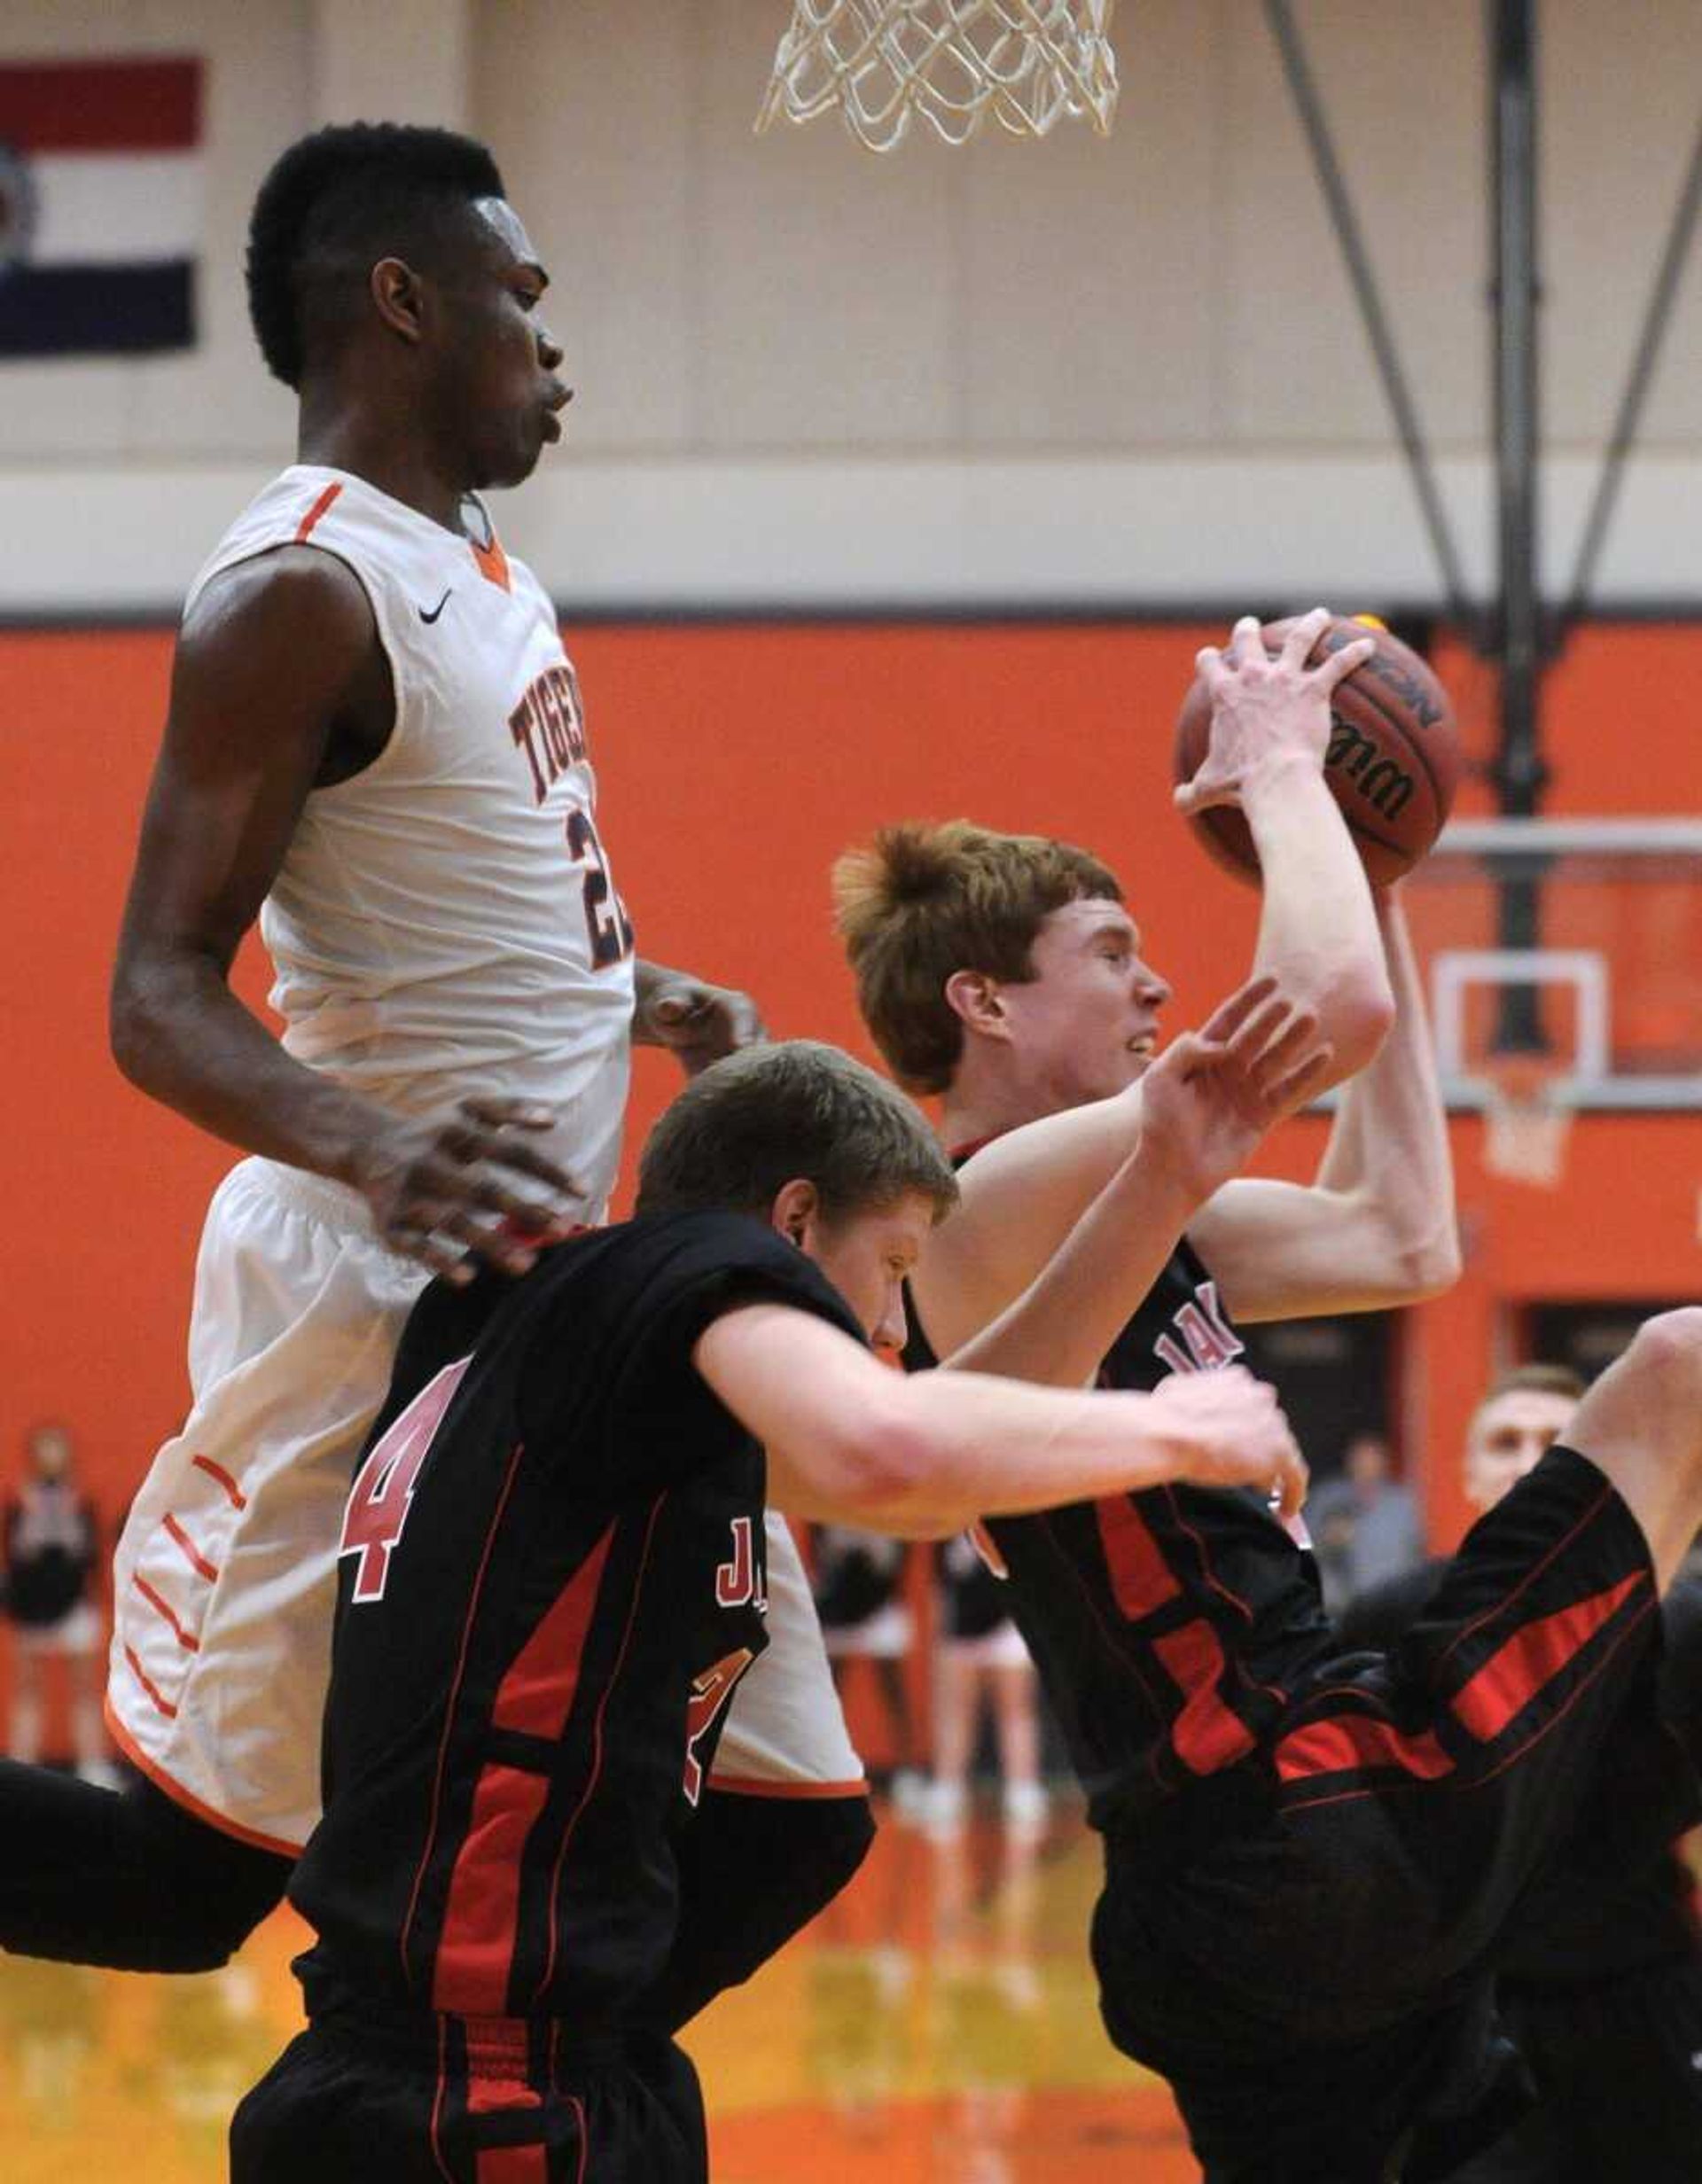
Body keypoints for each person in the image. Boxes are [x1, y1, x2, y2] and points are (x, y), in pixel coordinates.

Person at [0, 121, 793, 1976]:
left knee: (770, 1817)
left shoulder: (484, 565)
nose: (551, 341)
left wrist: (635, 989)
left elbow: (463, 889)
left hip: (529, 1273)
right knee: (187, 1886)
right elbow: (155, 995)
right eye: (523, 298)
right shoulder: (294, 592)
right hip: (366, 1279)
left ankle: (478, 2094)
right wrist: (380, 1149)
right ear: (404, 303)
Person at [835, 611, 1702, 2180]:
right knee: (1682, 1370)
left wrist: (1373, 884)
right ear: (985, 1004)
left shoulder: (1126, 1209)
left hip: (1216, 1897)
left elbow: (1404, 1233)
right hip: (1311, 1800)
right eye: (1111, 952)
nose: (1161, 979)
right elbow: (1326, 1003)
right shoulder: (980, 1190)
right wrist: (1286, 769)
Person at [230, 1037, 1315, 2184]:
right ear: (793, 1223)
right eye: (893, 1263)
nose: (896, 1324)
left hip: (462, 2054)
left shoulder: (547, 1333)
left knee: (813, 1825)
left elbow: (922, 1457)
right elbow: (884, 1449)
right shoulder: (697, 1267)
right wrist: (1183, 1430)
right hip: (486, 2086)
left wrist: (1155, 1186)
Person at [1338, 1364, 1702, 2183]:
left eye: (1562, 1444)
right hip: (1462, 2014)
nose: (1532, 1463)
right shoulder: (1392, 1616)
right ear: (1466, 1474)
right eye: (1507, 1443)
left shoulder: (1683, 1613)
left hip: (1641, 1988)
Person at [2, 1424, 113, 1786]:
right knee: (29, 1688)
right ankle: (22, 1767)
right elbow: (12, 1555)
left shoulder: (79, 1500)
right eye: (45, 1448)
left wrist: (95, 1599)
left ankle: (93, 1764)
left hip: (74, 1603)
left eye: (58, 1448)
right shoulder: (20, 1501)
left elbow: (93, 1555)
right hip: (33, 1606)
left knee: (85, 1688)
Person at [926, 1528, 1046, 1832]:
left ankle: (1023, 1789)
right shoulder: (944, 1524)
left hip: (1007, 1623)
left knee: (1016, 1710)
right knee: (956, 1710)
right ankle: (948, 1788)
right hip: (961, 1626)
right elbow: (939, 1581)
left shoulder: (1005, 1514)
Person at [809, 1525, 923, 1801]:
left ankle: (909, 1772)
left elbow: (901, 1557)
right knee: (828, 1690)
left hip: (881, 1605)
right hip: (838, 1608)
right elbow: (819, 1554)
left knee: (893, 1689)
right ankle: (820, 1768)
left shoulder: (889, 1513)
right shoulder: (824, 1511)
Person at [1308, 1429, 1426, 1615]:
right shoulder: (1327, 1498)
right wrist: (1328, 1539)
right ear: (1350, 1461)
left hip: (1391, 1603)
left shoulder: (1401, 1504)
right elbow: (1301, 1551)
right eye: (1361, 1459)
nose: (1367, 1466)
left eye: (1373, 1459)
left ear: (1384, 1462)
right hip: (1340, 1608)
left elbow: (1417, 1552)